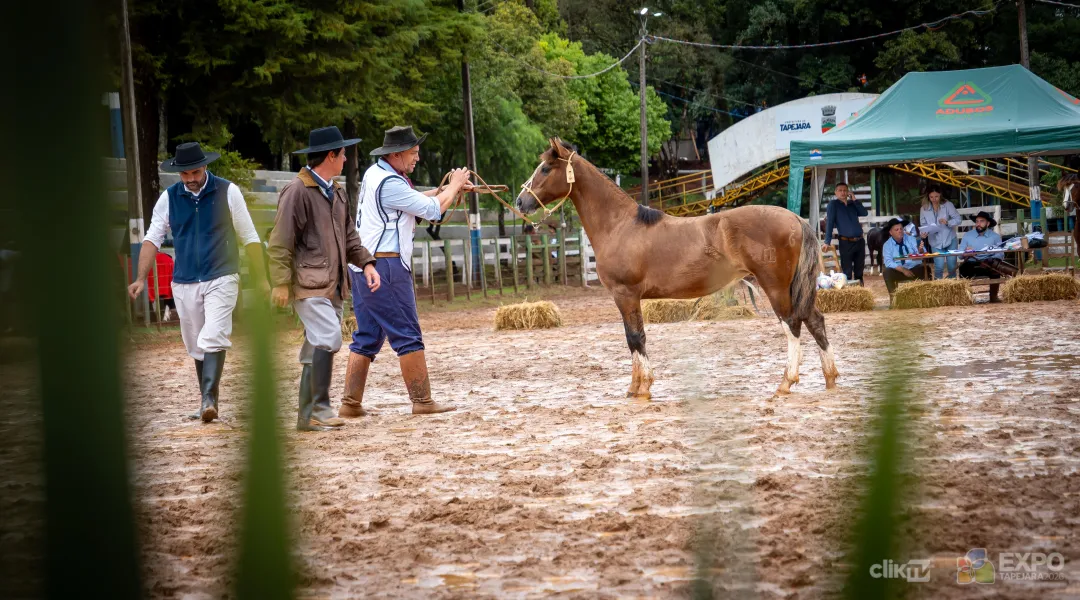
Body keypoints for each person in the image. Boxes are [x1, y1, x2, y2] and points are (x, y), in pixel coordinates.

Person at [128, 142, 265, 422]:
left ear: (205, 167)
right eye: (185, 174)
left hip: (222, 275)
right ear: (178, 173)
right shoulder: (168, 198)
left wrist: (262, 279)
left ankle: (208, 399)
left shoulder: (228, 191)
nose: (191, 179)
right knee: (196, 343)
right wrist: (141, 278)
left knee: (213, 334)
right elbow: (153, 238)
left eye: (195, 172)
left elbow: (250, 237)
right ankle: (206, 400)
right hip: (184, 281)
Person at [340, 125, 470, 417]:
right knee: (408, 333)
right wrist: (454, 185)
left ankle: (350, 403)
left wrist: (445, 190)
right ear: (396, 155)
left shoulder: (377, 175)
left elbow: (416, 202)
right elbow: (433, 210)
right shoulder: (392, 183)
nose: (417, 159)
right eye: (413, 153)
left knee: (368, 336)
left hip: (364, 266)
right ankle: (422, 401)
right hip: (387, 266)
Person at [268, 126, 381, 432]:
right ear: (331, 155)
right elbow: (279, 243)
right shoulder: (296, 192)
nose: (345, 159)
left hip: (333, 286)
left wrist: (367, 264)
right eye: (343, 154)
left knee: (314, 346)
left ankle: (306, 418)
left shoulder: (337, 192)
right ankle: (320, 406)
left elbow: (350, 237)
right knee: (329, 338)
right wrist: (280, 282)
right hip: (308, 284)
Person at [958, 211, 1016, 303]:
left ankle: (993, 296)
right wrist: (965, 253)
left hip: (989, 263)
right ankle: (967, 297)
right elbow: (960, 255)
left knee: (996, 268)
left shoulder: (995, 236)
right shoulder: (967, 235)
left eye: (981, 221)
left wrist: (991, 260)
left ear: (988, 223)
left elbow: (1000, 254)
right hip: (971, 262)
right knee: (962, 269)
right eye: (977, 221)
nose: (978, 224)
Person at [822, 182, 867, 283]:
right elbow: (830, 222)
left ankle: (860, 293)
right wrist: (827, 241)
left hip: (859, 240)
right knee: (847, 271)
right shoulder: (833, 204)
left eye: (845, 190)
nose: (843, 192)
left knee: (859, 271)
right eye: (840, 190)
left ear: (848, 192)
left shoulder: (852, 204)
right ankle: (850, 294)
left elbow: (864, 213)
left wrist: (855, 200)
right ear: (836, 192)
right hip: (846, 242)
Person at [919, 185, 961, 279]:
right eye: (931, 197)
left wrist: (948, 222)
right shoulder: (924, 208)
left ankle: (953, 287)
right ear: (928, 196)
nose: (934, 199)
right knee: (938, 267)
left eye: (936, 196)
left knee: (951, 266)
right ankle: (939, 288)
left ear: (940, 195)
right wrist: (924, 232)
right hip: (935, 241)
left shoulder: (948, 205)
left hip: (950, 238)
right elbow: (923, 224)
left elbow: (958, 219)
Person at [882, 217, 930, 296]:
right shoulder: (887, 245)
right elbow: (888, 262)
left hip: (914, 269)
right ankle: (894, 298)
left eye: (901, 229)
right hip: (899, 271)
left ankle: (925, 296)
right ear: (891, 232)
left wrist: (920, 250)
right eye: (896, 230)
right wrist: (903, 270)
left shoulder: (911, 239)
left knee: (926, 269)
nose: (900, 231)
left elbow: (923, 253)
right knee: (887, 272)